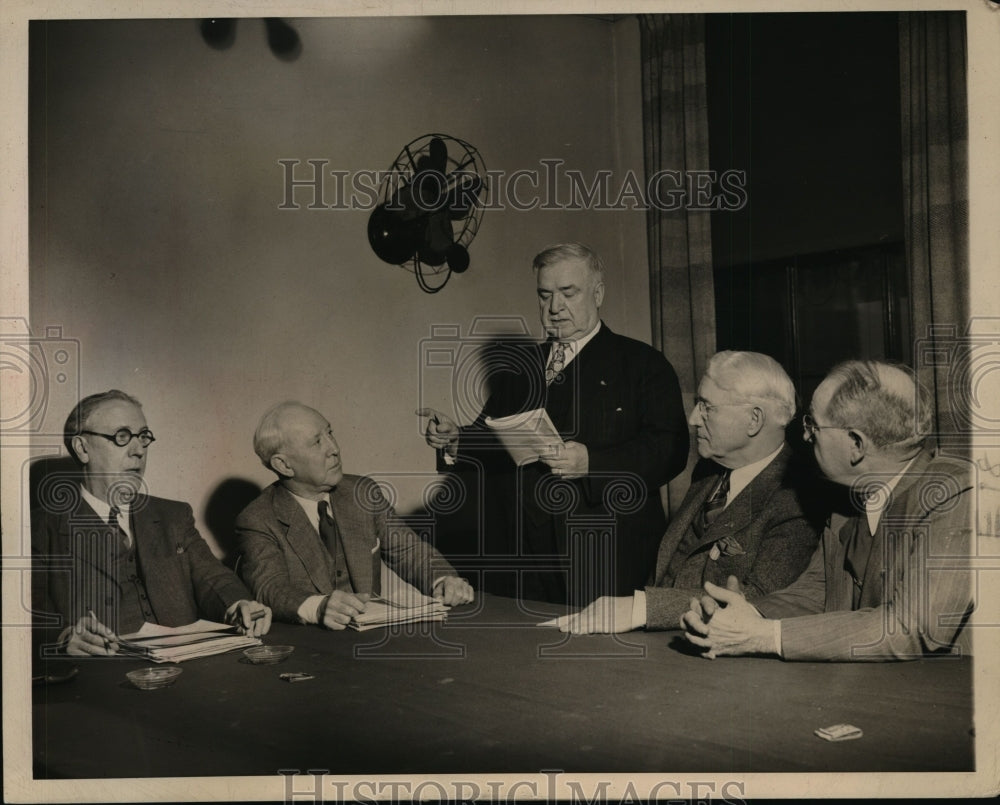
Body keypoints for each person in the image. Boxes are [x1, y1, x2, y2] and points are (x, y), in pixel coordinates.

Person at [419, 242, 689, 606]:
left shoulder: (643, 364)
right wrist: (456, 439)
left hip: (603, 552)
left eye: (568, 293)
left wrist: (593, 464)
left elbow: (670, 450)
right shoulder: (520, 368)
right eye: (544, 295)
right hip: (524, 555)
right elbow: (494, 437)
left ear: (598, 294)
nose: (555, 308)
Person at [681, 360, 974, 661]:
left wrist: (765, 636)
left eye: (813, 425)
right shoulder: (849, 495)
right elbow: (818, 589)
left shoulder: (958, 496)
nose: (806, 437)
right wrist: (747, 614)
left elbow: (910, 629)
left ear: (856, 445)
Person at [555, 351, 822, 633]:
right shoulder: (709, 470)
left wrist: (642, 608)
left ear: (754, 420)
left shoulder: (799, 497)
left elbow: (760, 601)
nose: (694, 419)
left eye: (707, 406)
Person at [32, 390, 272, 657]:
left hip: (189, 671)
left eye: (143, 437)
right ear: (82, 448)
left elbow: (213, 577)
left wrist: (239, 603)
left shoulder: (173, 515)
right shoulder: (40, 528)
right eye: (121, 437)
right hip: (104, 679)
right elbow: (24, 617)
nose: (138, 451)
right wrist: (64, 637)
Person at [236, 402, 473, 629]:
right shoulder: (258, 518)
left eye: (330, 433)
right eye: (317, 442)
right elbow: (270, 587)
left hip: (370, 642)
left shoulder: (362, 492)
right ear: (284, 465)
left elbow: (409, 551)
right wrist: (319, 608)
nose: (334, 449)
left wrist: (442, 581)